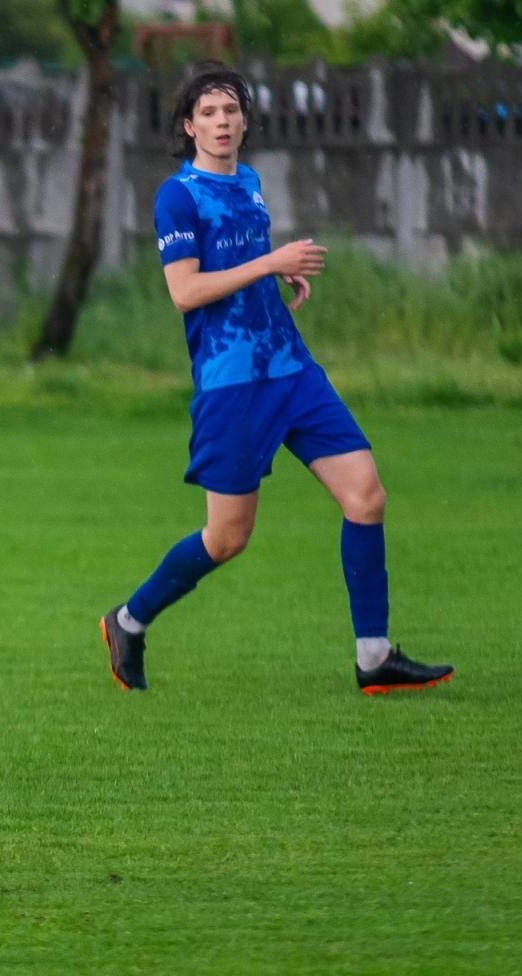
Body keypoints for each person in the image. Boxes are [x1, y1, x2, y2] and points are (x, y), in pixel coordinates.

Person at [99, 65, 452, 696]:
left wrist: (277, 278)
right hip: (232, 385)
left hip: (291, 369)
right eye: (208, 112)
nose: (222, 121)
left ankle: (374, 657)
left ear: (245, 121)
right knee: (228, 537)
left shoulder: (252, 182)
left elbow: (238, 265)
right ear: (189, 126)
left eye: (231, 110)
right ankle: (128, 620)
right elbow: (184, 292)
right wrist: (272, 260)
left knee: (366, 496)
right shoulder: (176, 197)